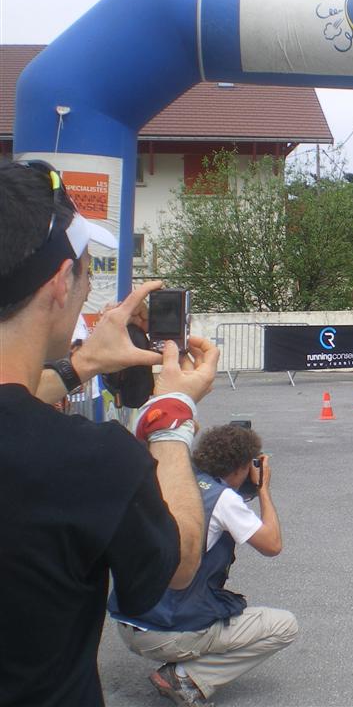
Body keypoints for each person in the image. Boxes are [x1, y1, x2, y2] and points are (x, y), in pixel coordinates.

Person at [0, 159, 218, 707]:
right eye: (87, 268)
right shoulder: (87, 460)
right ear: (59, 283)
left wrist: (81, 365)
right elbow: (181, 559)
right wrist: (171, 415)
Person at [109, 423, 296, 706]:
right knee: (284, 625)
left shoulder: (177, 479)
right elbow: (272, 544)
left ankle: (184, 657)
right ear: (240, 467)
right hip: (164, 629)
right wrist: (263, 489)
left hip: (129, 619)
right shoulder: (223, 499)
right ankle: (186, 676)